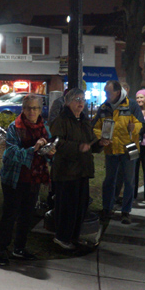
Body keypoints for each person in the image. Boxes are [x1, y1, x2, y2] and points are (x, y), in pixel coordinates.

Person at [0, 94, 53, 266]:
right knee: (10, 214)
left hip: (34, 178)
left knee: (27, 215)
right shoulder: (15, 127)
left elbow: (48, 151)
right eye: (28, 108)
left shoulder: (44, 127)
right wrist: (33, 149)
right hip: (14, 177)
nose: (31, 111)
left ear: (40, 109)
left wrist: (50, 153)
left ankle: (19, 248)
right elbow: (11, 153)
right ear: (23, 109)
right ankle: (1, 249)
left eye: (35, 108)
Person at [50, 89, 104, 249]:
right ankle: (62, 237)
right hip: (67, 171)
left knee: (80, 206)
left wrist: (99, 144)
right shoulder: (61, 120)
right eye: (76, 99)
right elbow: (57, 143)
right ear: (67, 102)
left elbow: (89, 143)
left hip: (82, 170)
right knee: (67, 206)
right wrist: (77, 147)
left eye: (82, 99)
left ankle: (73, 236)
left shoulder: (84, 121)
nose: (80, 102)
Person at [93, 80, 142, 225]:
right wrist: (100, 137)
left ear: (118, 92)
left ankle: (126, 211)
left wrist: (136, 127)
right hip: (111, 149)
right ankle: (107, 209)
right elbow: (95, 126)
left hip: (130, 147)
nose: (106, 95)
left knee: (129, 181)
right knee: (109, 180)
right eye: (105, 92)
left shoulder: (131, 105)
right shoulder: (104, 107)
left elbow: (141, 124)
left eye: (108, 92)